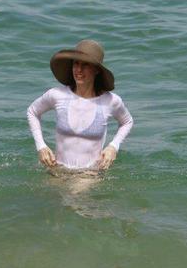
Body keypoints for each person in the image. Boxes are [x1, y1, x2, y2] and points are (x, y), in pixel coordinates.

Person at [27, 39, 133, 172]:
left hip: (90, 173)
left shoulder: (111, 101)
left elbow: (127, 121)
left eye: (85, 65)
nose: (79, 70)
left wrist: (113, 146)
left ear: (96, 70)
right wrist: (41, 146)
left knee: (76, 192)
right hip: (58, 170)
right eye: (76, 63)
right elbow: (32, 111)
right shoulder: (57, 95)